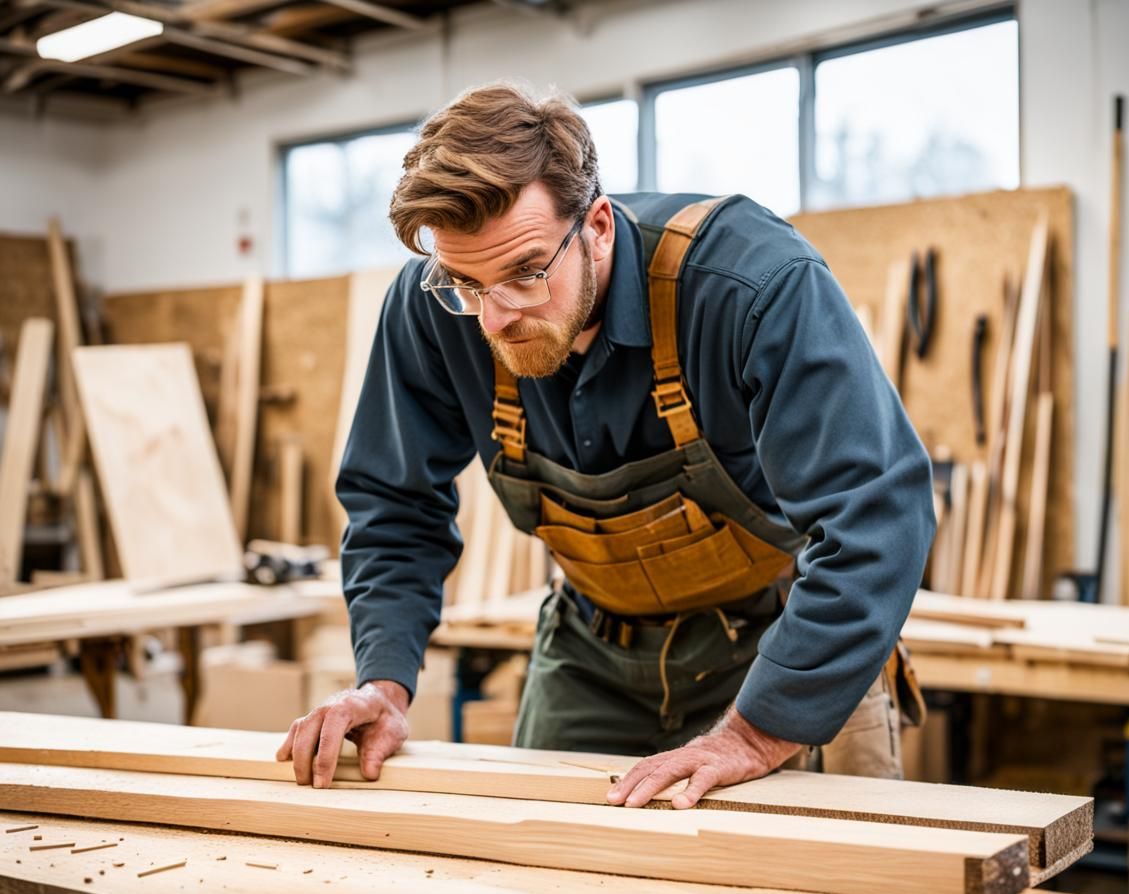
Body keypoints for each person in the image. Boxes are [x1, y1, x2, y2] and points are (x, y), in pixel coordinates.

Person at [278, 82, 935, 809]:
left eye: (526, 274)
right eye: (466, 283)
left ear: (596, 225)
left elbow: (875, 518)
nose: (492, 321)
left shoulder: (748, 284)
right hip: (592, 650)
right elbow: (395, 506)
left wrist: (754, 734)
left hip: (780, 649)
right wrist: (385, 680)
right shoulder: (436, 308)